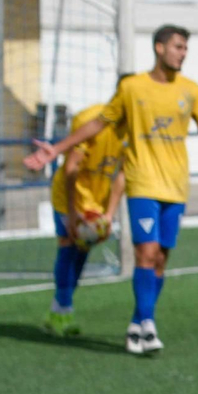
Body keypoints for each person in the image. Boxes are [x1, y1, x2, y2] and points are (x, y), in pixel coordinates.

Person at [24, 25, 198, 355]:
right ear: (159, 48)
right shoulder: (133, 88)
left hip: (176, 186)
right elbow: (96, 126)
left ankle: (138, 324)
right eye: (178, 47)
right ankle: (126, 320)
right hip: (141, 184)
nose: (183, 53)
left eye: (185, 49)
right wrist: (57, 147)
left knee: (161, 259)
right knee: (142, 252)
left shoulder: (191, 90)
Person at [42, 94, 128, 337]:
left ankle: (56, 310)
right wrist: (71, 213)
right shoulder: (90, 120)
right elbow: (71, 167)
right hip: (68, 195)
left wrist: (110, 214)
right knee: (68, 245)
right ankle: (63, 312)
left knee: (82, 251)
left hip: (97, 198)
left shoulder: (134, 129)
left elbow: (122, 174)